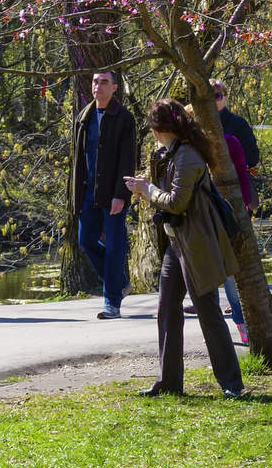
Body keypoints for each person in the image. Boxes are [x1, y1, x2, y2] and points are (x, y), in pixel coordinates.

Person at [123, 99, 244, 398]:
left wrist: (146, 189)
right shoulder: (169, 153)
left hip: (196, 243)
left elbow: (177, 202)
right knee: (166, 309)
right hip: (177, 243)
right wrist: (146, 185)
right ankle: (169, 382)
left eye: (153, 125)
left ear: (163, 127)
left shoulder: (188, 155)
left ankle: (232, 384)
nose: (150, 131)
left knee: (208, 311)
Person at [70, 70, 138, 319]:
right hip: (87, 193)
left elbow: (128, 160)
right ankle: (119, 282)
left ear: (114, 88)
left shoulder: (124, 118)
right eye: (95, 82)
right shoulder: (84, 116)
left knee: (114, 247)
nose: (98, 86)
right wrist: (75, 195)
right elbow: (77, 161)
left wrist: (121, 195)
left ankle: (112, 302)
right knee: (86, 241)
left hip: (113, 195)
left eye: (104, 82)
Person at [186, 103, 251, 345]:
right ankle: (217, 330)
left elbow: (242, 174)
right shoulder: (185, 150)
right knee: (205, 271)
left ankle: (241, 323)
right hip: (197, 220)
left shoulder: (228, 143)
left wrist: (242, 205)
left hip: (222, 216)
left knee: (230, 275)